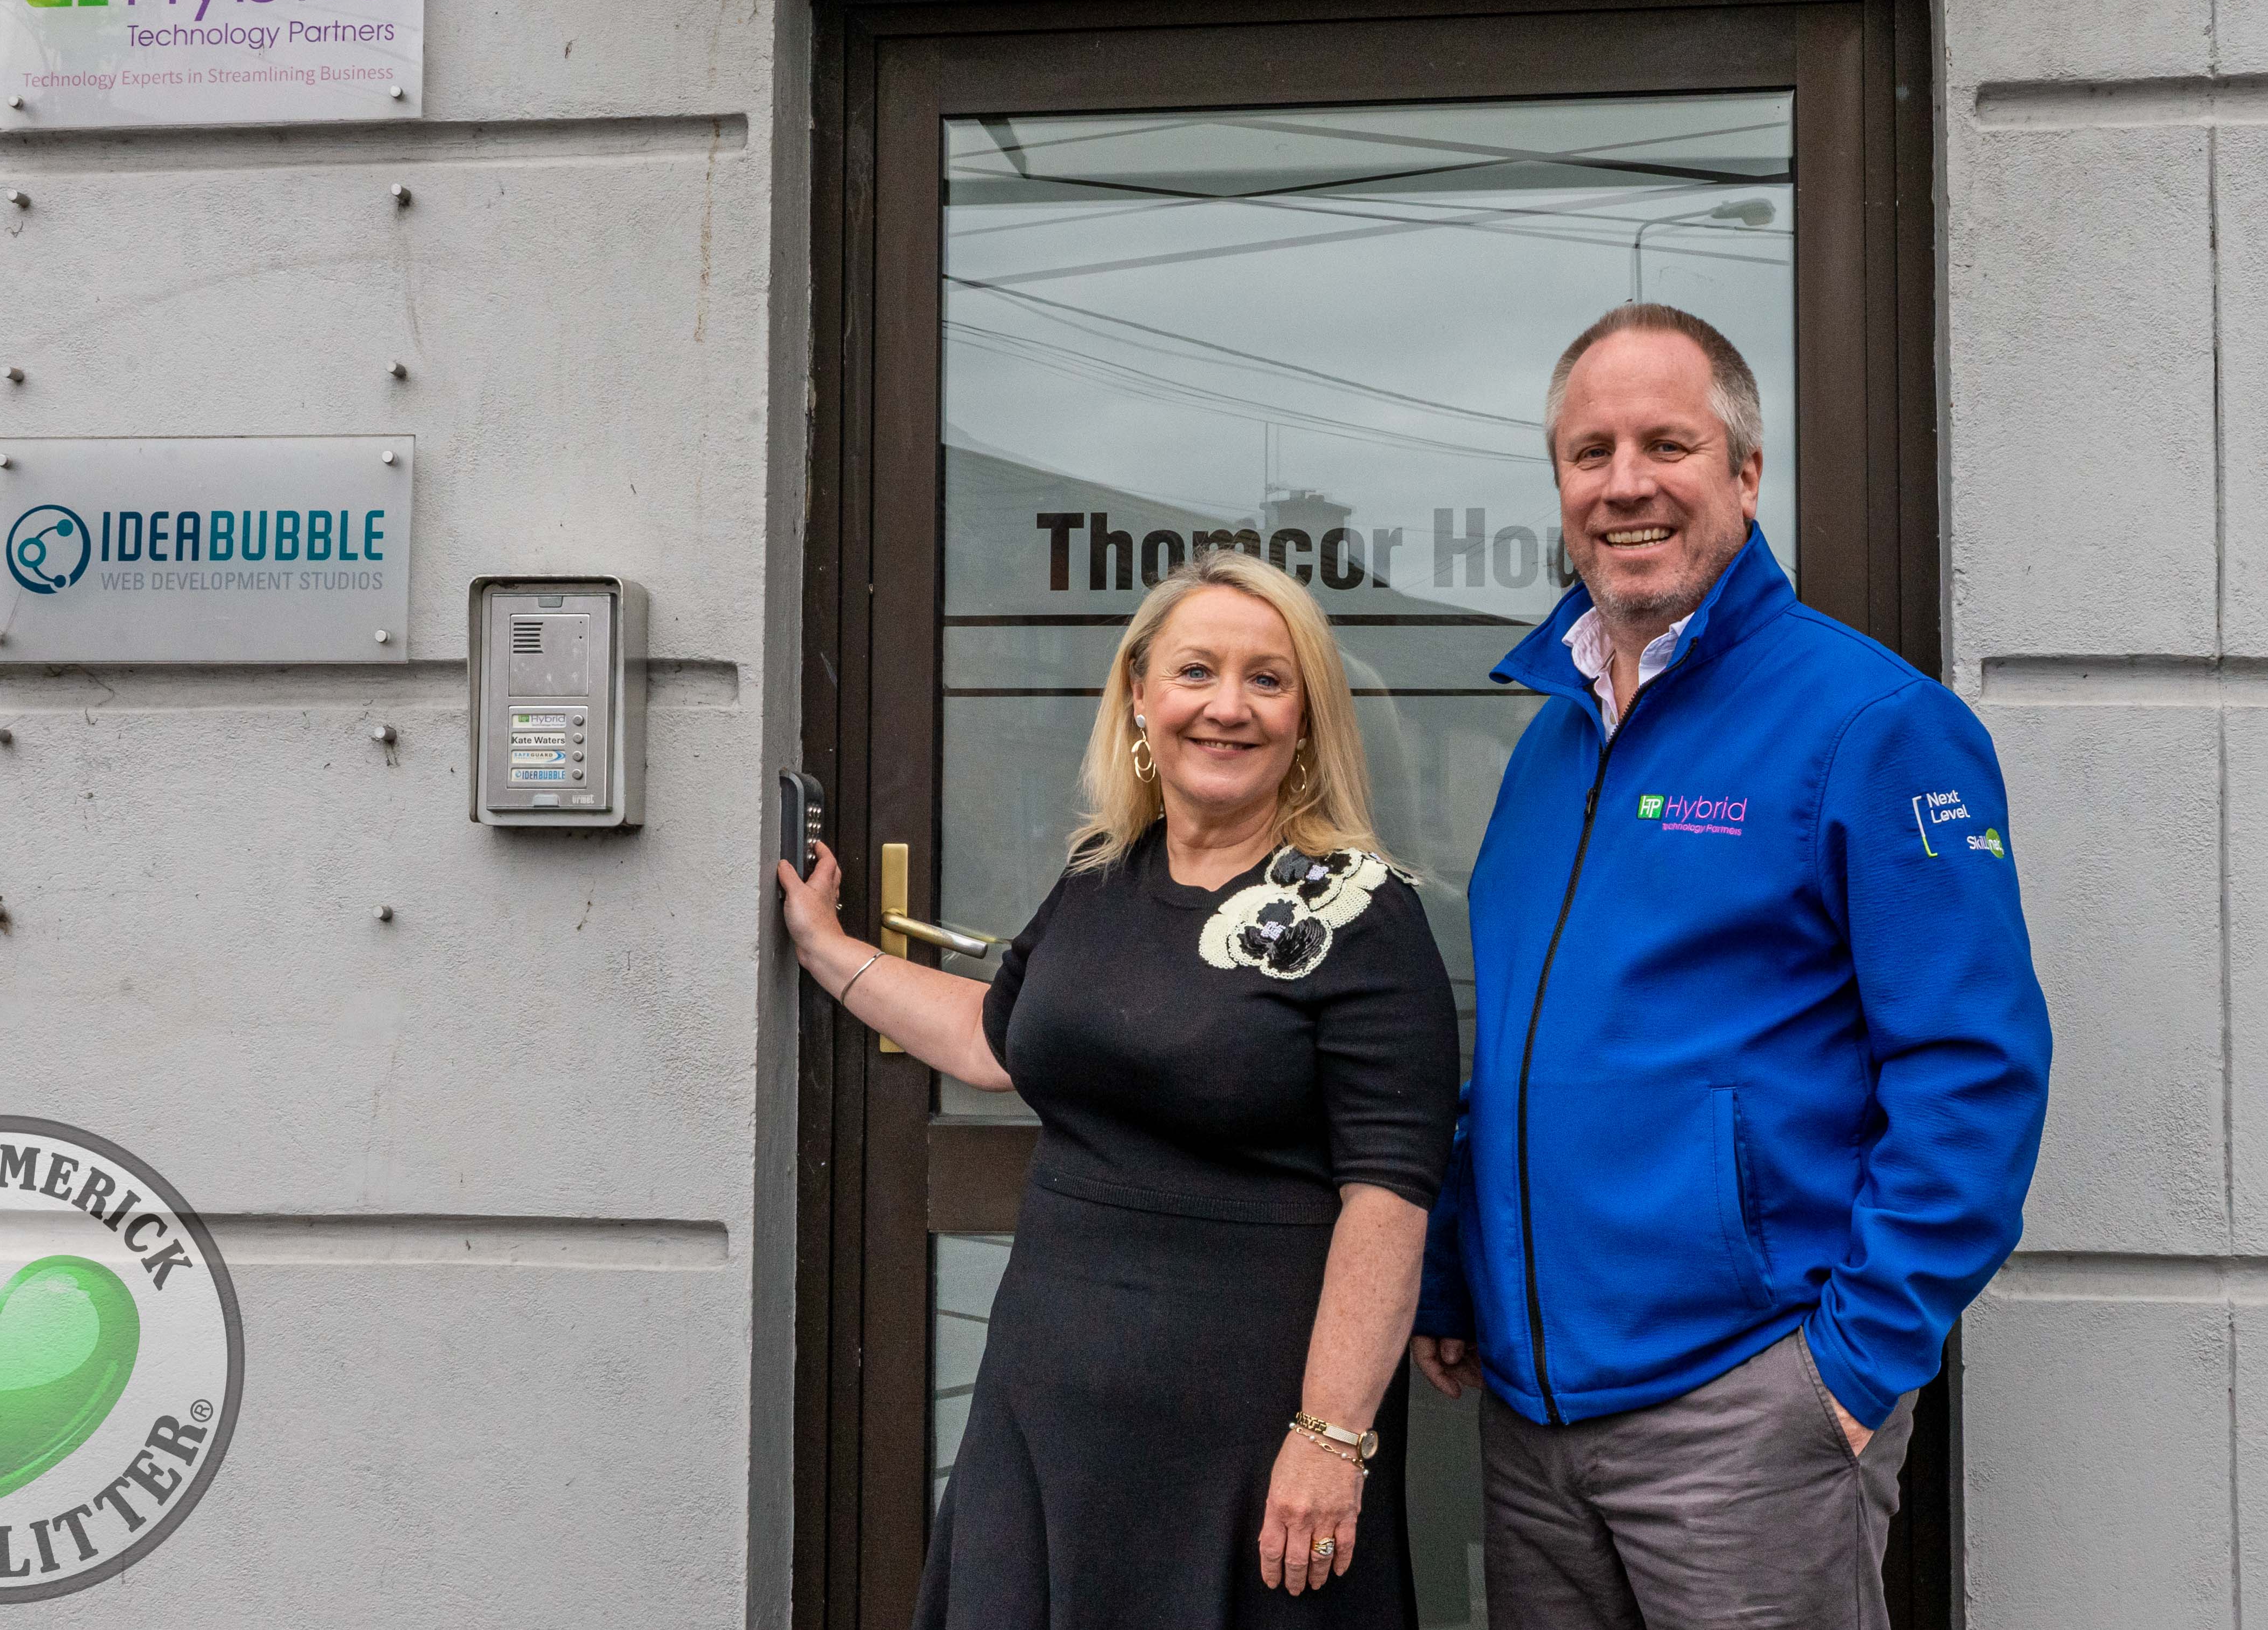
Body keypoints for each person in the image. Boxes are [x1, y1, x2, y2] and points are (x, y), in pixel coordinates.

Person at [1409, 305, 2053, 1629]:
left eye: (1667, 444)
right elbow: (1526, 1047)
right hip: (1533, 1417)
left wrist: (1849, 1369)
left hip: (1745, 1407)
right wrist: (1459, 1271)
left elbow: (1973, 1070)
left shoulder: (1873, 723)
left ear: (1746, 474)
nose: (1624, 483)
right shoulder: (1548, 743)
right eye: (1589, 452)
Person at [781, 551, 1460, 1628]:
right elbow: (993, 1039)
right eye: (1195, 671)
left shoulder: (1361, 913)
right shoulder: (1103, 873)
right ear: (1141, 696)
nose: (1227, 706)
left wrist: (1331, 1436)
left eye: (1266, 679)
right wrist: (826, 948)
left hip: (1246, 1436)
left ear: (1305, 719)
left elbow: (1387, 1196)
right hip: (1042, 1403)